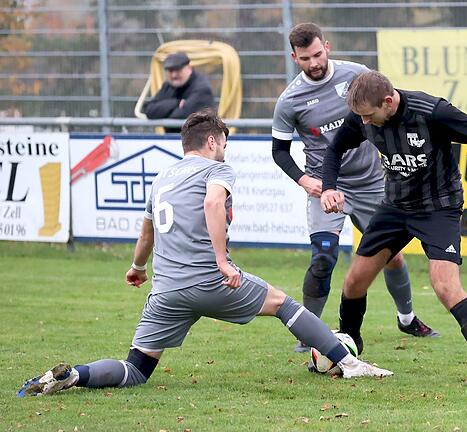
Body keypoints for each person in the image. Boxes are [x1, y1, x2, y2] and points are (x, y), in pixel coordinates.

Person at [17, 109, 392, 398]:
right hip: (212, 280)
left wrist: (136, 267)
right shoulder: (218, 170)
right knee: (284, 305)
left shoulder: (163, 177)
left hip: (166, 292)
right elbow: (214, 203)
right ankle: (349, 362)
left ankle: (74, 376)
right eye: (224, 143)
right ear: (212, 142)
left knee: (135, 370)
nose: (224, 150)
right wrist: (222, 261)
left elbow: (146, 229)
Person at [320, 71, 467, 387]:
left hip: (438, 207)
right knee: (354, 281)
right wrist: (328, 187)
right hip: (395, 206)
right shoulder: (362, 116)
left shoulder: (433, 112)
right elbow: (335, 149)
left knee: (445, 286)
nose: (363, 123)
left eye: (368, 116)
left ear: (388, 102)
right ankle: (348, 354)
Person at [271, 23, 438, 353]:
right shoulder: (289, 100)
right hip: (326, 189)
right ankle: (309, 334)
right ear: (294, 57)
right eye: (305, 58)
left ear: (327, 47)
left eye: (318, 54)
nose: (314, 63)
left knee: (390, 257)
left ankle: (407, 319)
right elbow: (279, 150)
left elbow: (389, 109)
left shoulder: (357, 75)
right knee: (323, 258)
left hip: (372, 184)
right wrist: (305, 180)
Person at [142, 52, 215, 133]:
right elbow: (149, 110)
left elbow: (178, 117)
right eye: (170, 71)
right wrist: (176, 103)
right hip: (172, 140)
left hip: (197, 142)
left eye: (178, 70)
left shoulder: (202, 88)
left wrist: (162, 113)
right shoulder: (168, 86)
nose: (173, 75)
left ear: (189, 68)